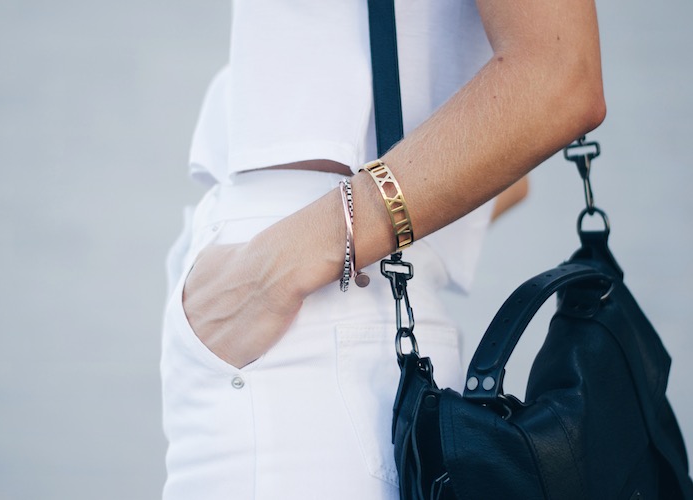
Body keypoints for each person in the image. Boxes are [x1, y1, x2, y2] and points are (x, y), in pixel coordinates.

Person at [161, 0, 605, 498]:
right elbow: (512, 177)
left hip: (310, 315)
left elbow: (559, 76)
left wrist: (280, 266)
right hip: (335, 307)